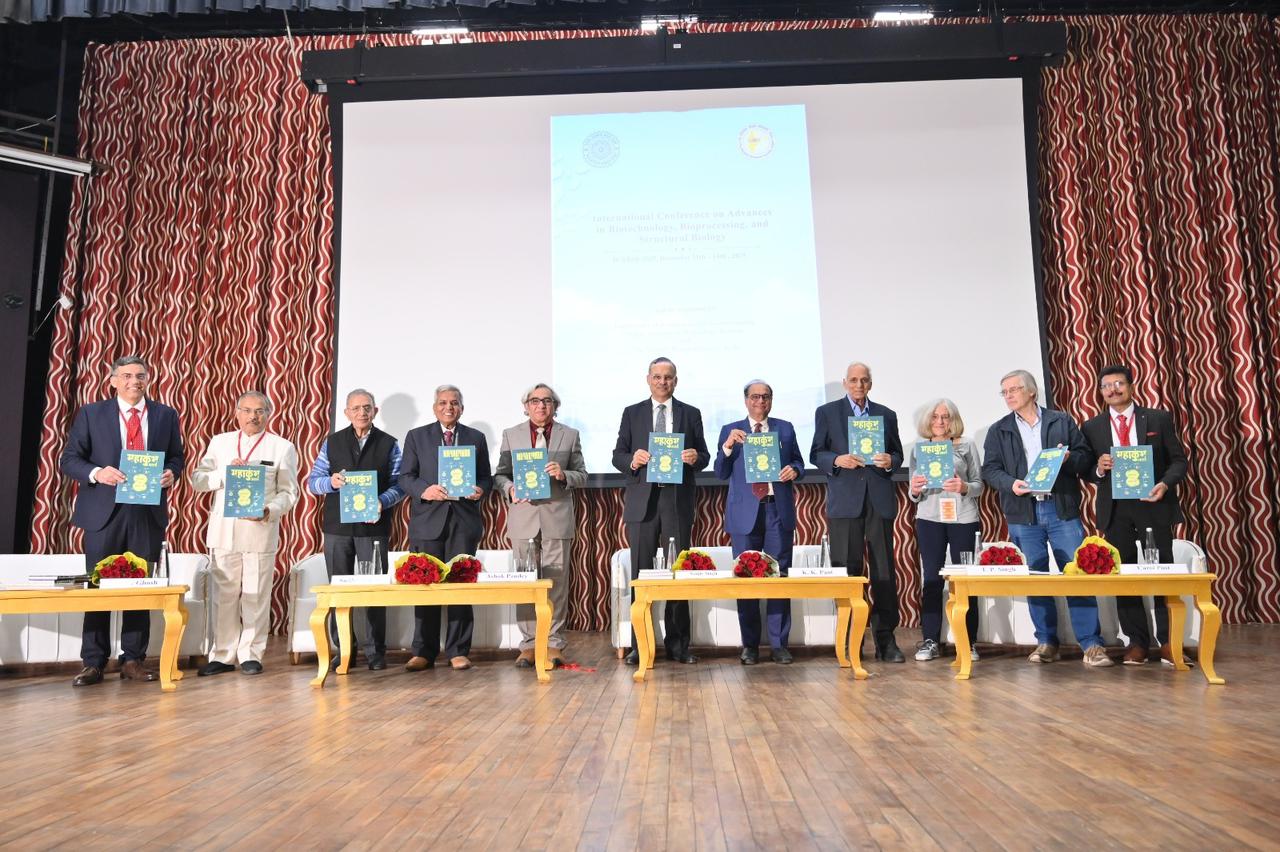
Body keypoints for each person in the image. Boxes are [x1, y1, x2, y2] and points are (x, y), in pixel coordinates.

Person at [58, 355, 184, 686]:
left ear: (148, 379)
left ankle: (133, 660)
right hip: (103, 513)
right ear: (113, 380)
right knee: (97, 587)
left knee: (140, 587)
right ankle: (93, 662)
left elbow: (176, 457)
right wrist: (97, 473)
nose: (134, 381)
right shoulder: (92, 413)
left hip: (146, 512)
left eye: (140, 375)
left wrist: (171, 473)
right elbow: (69, 459)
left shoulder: (165, 415)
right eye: (126, 375)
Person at [981, 369, 1112, 668]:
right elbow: (990, 470)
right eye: (1004, 392)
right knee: (1035, 578)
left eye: (1014, 389)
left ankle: (1091, 644)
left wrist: (1069, 458)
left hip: (1060, 508)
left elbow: (1084, 458)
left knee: (1077, 576)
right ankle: (1047, 642)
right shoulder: (998, 430)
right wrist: (1010, 483)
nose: (1008, 395)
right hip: (1023, 511)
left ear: (1031, 391)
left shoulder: (1061, 421)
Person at [1082, 364, 1190, 666]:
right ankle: (1137, 642)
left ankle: (1168, 642)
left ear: (1131, 386)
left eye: (1118, 383)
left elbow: (1178, 461)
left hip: (1153, 503)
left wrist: (1164, 484)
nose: (1113, 390)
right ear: (1100, 391)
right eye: (1106, 386)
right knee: (1124, 575)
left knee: (1163, 571)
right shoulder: (1092, 427)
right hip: (1115, 509)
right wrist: (1099, 468)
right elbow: (1087, 471)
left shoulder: (1157, 418)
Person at [190, 391, 299, 676]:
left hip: (259, 530)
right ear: (237, 413)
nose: (253, 416)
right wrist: (223, 474)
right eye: (247, 410)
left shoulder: (282, 447)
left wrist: (268, 510)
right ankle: (222, 655)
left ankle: (251, 654)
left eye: (260, 411)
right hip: (224, 532)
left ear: (269, 414)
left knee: (256, 595)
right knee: (223, 597)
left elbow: (289, 493)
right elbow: (198, 480)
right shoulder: (220, 442)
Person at [612, 357, 710, 666]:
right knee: (641, 576)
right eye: (657, 376)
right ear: (648, 379)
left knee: (678, 574)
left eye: (668, 377)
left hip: (676, 501)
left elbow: (705, 456)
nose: (662, 381)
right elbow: (617, 455)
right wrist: (633, 459)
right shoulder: (632, 413)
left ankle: (679, 645)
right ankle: (640, 645)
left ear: (675, 381)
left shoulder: (690, 413)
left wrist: (695, 457)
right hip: (643, 502)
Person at [810, 362, 906, 662]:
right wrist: (837, 460)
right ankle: (851, 640)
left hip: (878, 500)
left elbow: (898, 454)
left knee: (883, 571)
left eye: (864, 380)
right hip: (845, 502)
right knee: (847, 571)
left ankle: (886, 640)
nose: (859, 385)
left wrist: (890, 461)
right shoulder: (827, 413)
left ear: (870, 383)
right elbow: (816, 453)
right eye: (853, 380)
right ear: (845, 383)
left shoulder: (886, 414)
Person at [307, 388, 405, 671]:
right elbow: (313, 482)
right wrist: (331, 483)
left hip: (374, 527)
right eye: (356, 408)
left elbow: (400, 484)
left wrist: (382, 501)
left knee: (374, 591)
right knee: (339, 591)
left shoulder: (389, 443)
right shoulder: (332, 442)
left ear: (375, 411)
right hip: (337, 528)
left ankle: (375, 652)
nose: (362, 412)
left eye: (367, 407)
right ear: (346, 412)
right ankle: (344, 650)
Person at [493, 383, 588, 669]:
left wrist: (564, 475)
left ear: (555, 406)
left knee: (556, 583)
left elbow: (582, 475)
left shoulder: (570, 435)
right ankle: (529, 645)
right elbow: (501, 475)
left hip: (557, 517)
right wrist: (509, 489)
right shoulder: (511, 434)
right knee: (526, 583)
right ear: (526, 406)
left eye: (547, 401)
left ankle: (554, 644)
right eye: (535, 401)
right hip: (523, 517)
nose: (541, 405)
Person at [399, 385, 492, 671]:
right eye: (443, 402)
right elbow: (405, 477)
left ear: (462, 408)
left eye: (454, 403)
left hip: (463, 522)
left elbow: (486, 477)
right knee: (425, 585)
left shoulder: (476, 438)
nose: (448, 407)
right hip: (428, 522)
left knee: (460, 587)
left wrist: (480, 490)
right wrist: (424, 490)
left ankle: (458, 651)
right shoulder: (417, 436)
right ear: (434, 407)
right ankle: (423, 652)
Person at [714, 380, 806, 665]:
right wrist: (728, 446)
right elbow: (720, 472)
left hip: (777, 510)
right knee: (745, 579)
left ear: (771, 400)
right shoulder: (731, 430)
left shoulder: (785, 429)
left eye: (765, 397)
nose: (760, 401)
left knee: (779, 578)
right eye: (755, 397)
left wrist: (794, 471)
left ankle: (779, 645)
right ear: (746, 400)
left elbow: (799, 463)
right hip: (744, 515)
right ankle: (750, 646)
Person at [907, 399, 982, 662]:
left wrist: (964, 487)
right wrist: (915, 489)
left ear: (953, 419)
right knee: (932, 580)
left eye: (945, 416)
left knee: (965, 581)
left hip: (964, 518)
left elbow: (979, 485)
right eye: (935, 417)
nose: (940, 421)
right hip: (929, 518)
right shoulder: (919, 448)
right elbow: (914, 493)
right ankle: (930, 640)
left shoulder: (966, 445)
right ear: (928, 420)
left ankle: (969, 642)